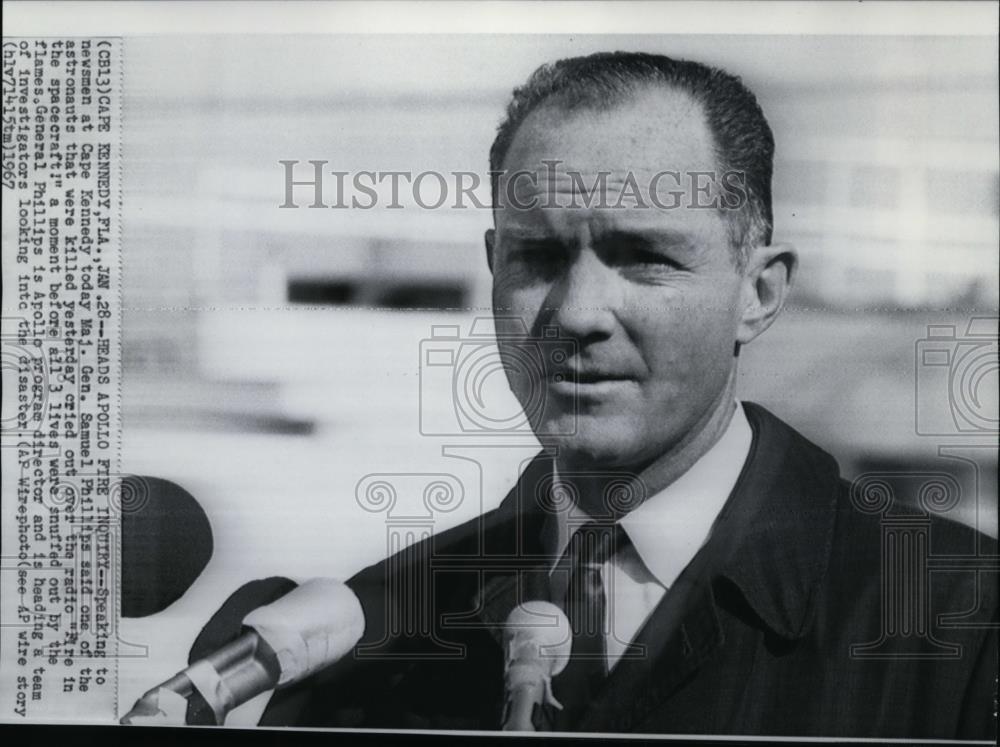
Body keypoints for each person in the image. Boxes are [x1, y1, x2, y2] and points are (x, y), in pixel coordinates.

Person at [191, 52, 998, 738]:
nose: (576, 313)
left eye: (644, 257)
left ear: (758, 292)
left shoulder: (965, 620)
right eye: (536, 257)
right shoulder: (370, 633)